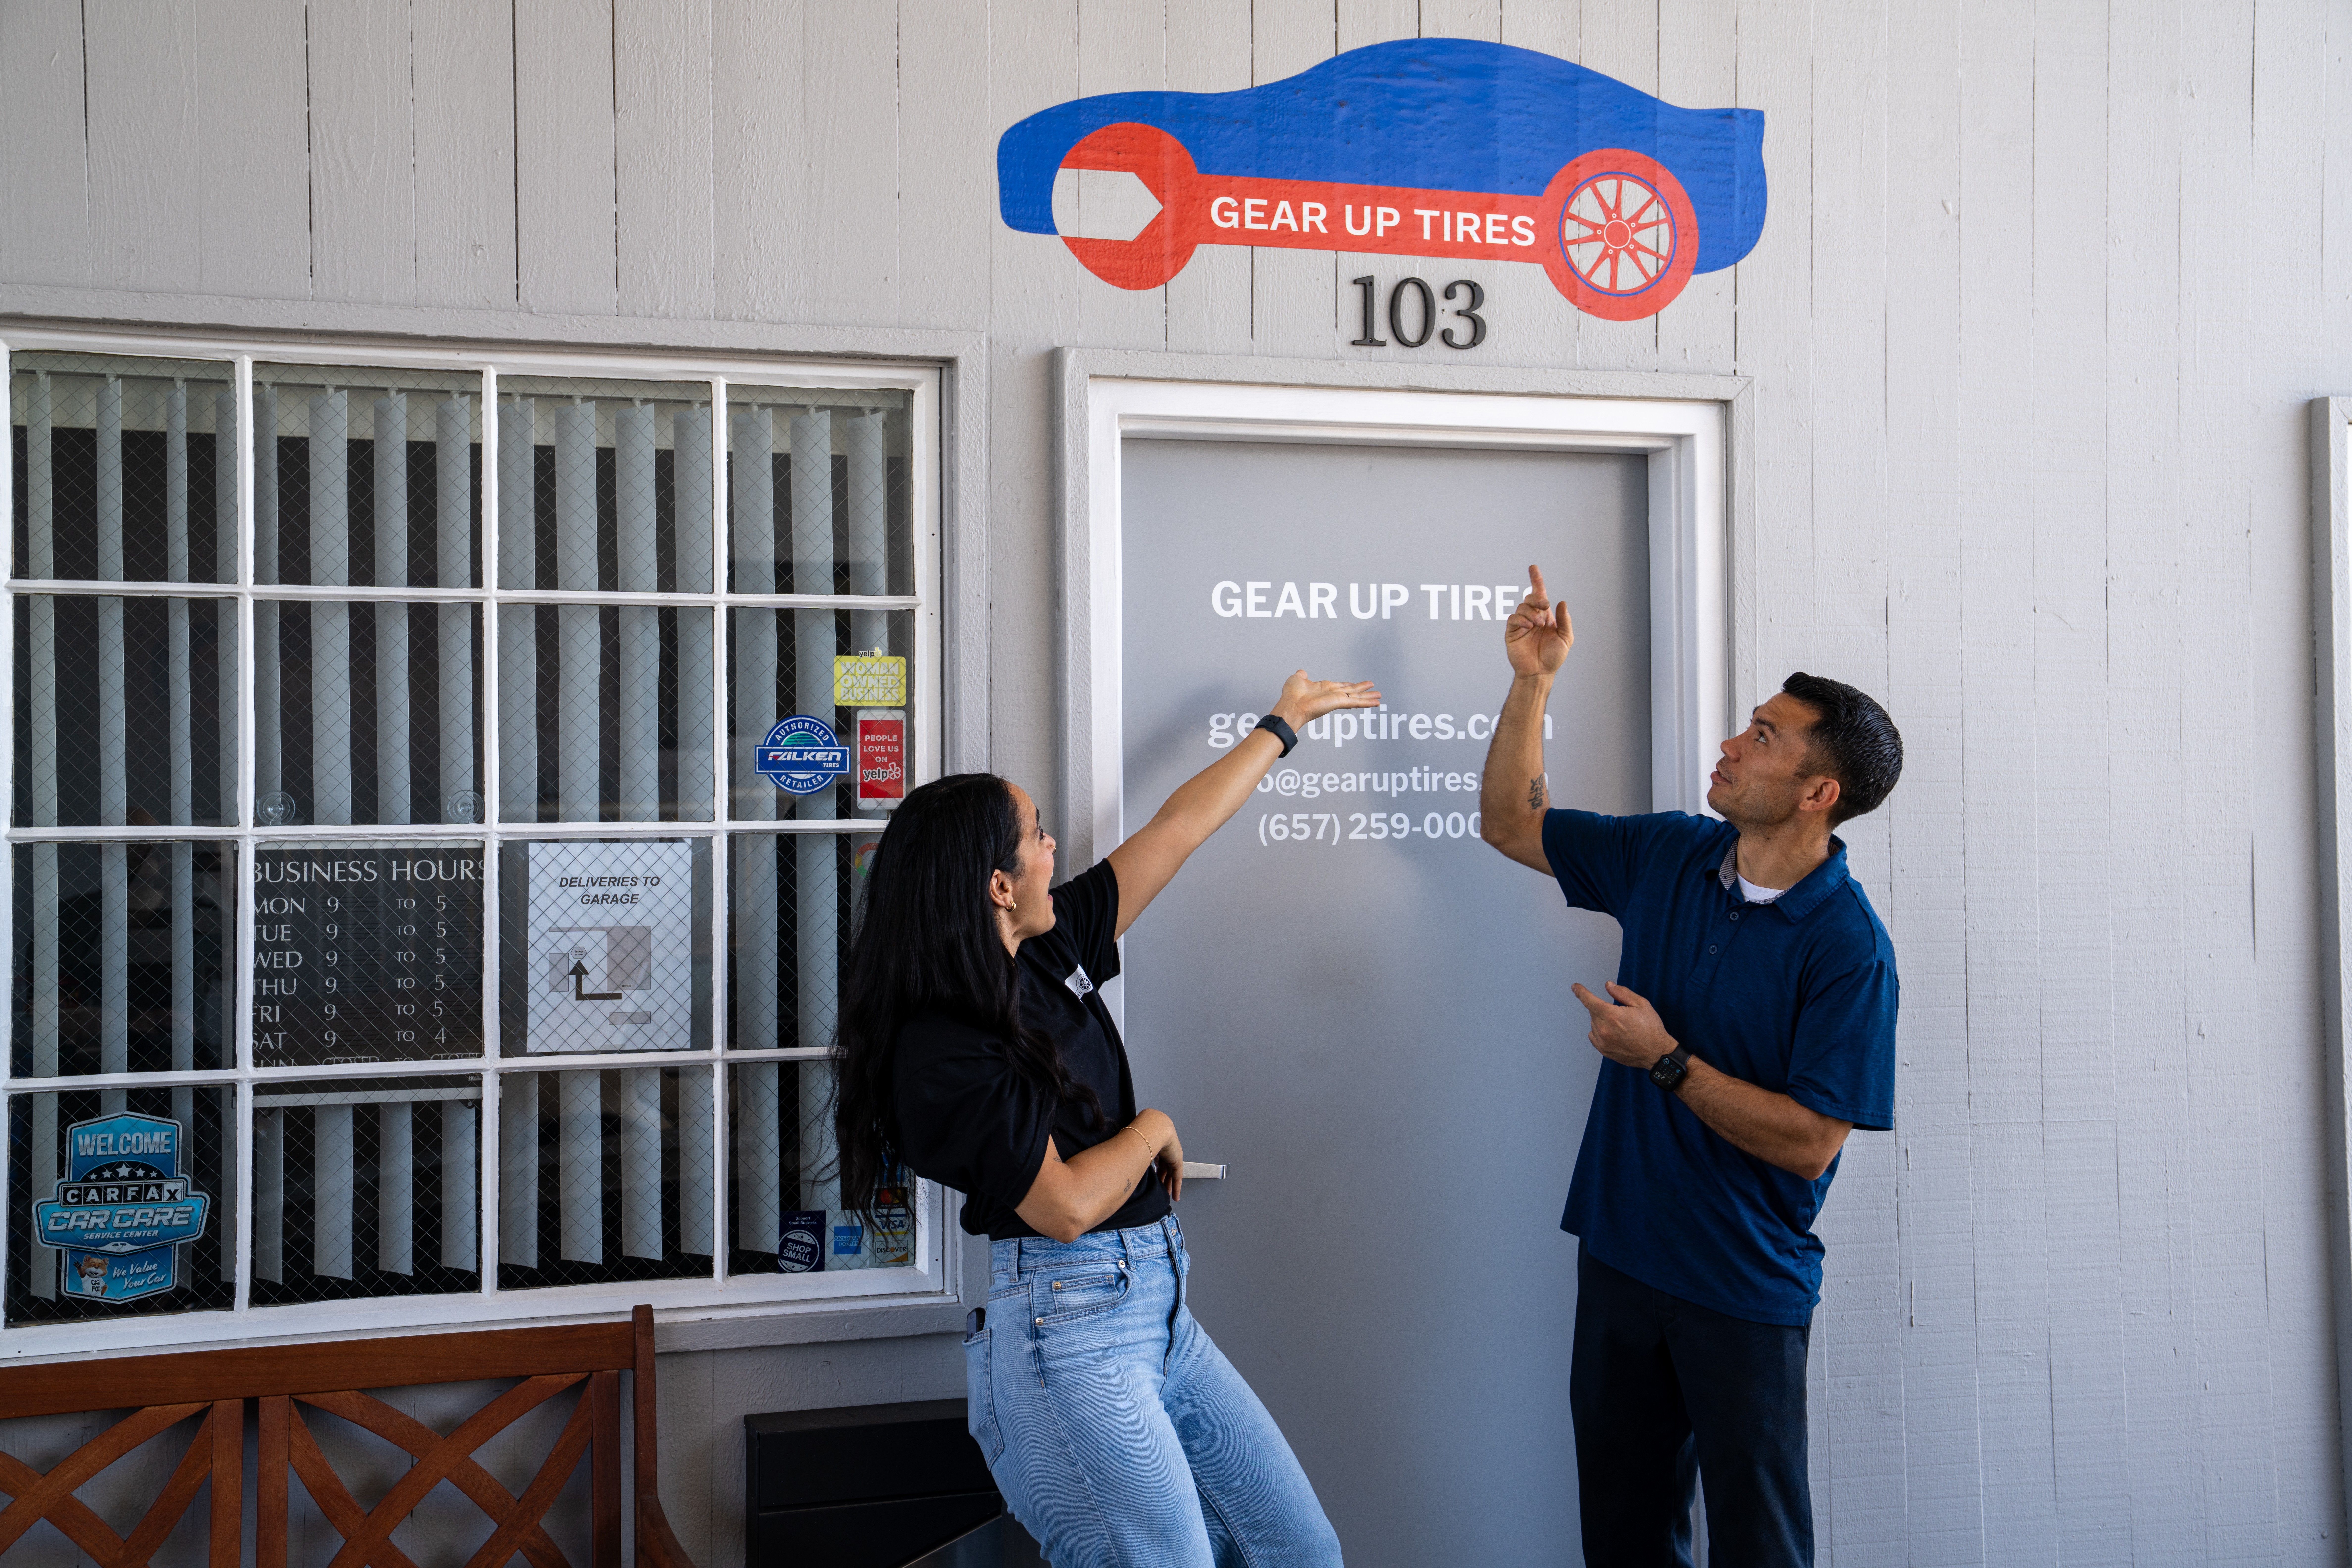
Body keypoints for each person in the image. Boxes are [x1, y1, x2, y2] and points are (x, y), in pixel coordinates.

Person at [833, 669, 1379, 1568]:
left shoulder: (1052, 950)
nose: (1055, 847)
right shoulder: (942, 1047)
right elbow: (1067, 1205)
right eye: (1038, 834)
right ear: (999, 885)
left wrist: (1283, 724)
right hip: (1069, 1329)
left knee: (1299, 1550)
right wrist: (1154, 1125)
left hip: (1161, 1311)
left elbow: (1179, 828)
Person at [1476, 566, 1902, 1567]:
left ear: (1817, 792)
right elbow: (1508, 824)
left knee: (1760, 1549)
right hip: (1622, 1259)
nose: (1729, 745)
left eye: (1762, 737)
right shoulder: (1671, 856)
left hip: (1743, 1288)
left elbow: (1809, 1143)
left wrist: (1663, 1060)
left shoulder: (1848, 949)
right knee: (1626, 1542)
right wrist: (1534, 682)